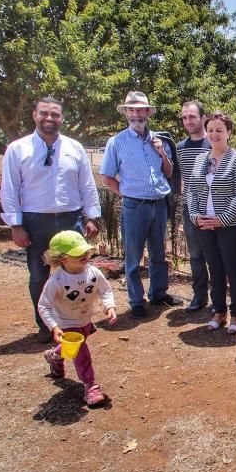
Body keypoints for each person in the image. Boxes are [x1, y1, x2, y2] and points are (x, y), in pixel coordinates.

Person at [0, 97, 102, 342]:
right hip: (36, 221)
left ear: (61, 118)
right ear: (34, 115)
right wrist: (16, 225)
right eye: (44, 113)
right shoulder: (18, 149)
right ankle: (46, 326)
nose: (49, 118)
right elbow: (10, 189)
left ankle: (79, 321)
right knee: (39, 276)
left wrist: (93, 216)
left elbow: (87, 184)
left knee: (78, 274)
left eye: (55, 114)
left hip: (71, 218)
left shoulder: (74, 148)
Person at [99, 90, 182, 318]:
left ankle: (158, 294)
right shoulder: (116, 142)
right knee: (134, 255)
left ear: (148, 113)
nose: (136, 114)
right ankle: (136, 300)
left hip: (159, 203)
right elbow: (106, 176)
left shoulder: (159, 140)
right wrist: (125, 196)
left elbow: (168, 172)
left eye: (140, 110)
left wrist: (162, 154)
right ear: (126, 113)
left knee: (158, 253)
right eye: (131, 110)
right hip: (135, 206)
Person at [187, 111, 236, 335]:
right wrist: (195, 216)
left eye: (219, 130)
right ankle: (218, 312)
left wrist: (221, 220)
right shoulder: (200, 160)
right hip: (204, 224)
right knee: (214, 269)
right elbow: (191, 191)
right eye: (211, 130)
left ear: (229, 133)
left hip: (230, 225)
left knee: (232, 269)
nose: (214, 134)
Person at [38, 230, 117, 407]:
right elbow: (44, 305)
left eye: (84, 251)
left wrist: (109, 306)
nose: (84, 255)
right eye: (77, 253)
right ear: (61, 258)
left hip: (85, 319)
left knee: (71, 348)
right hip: (66, 322)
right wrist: (53, 326)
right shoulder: (56, 281)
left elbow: (105, 290)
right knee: (81, 352)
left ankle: (54, 356)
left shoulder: (93, 272)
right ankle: (90, 386)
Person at [176, 100, 212, 312]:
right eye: (184, 117)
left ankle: (221, 299)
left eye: (192, 117)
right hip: (191, 209)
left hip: (213, 209)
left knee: (215, 256)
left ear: (203, 119)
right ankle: (199, 297)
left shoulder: (213, 143)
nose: (188, 121)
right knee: (196, 256)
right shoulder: (181, 148)